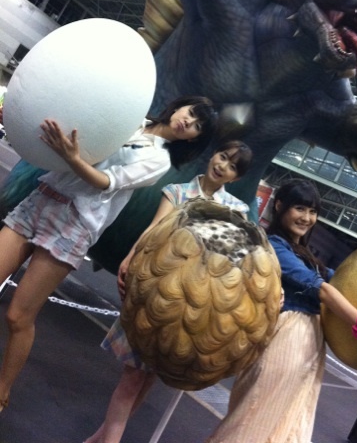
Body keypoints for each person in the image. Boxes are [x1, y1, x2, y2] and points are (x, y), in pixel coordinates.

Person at [0, 95, 217, 412]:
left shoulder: (159, 160)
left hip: (74, 223)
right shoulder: (130, 120)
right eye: (192, 113)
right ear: (180, 106)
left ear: (194, 139)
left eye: (197, 126)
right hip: (42, 198)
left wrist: (72, 157)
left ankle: (3, 392)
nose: (189, 121)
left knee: (18, 316)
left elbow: (107, 182)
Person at [206, 178, 357, 443]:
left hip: (306, 344)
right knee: (253, 422)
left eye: (313, 211)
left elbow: (342, 282)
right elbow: (321, 289)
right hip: (285, 340)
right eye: (299, 208)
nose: (307, 218)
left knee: (286, 426)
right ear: (280, 206)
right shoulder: (274, 246)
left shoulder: (304, 254)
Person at [84, 139, 253, 443]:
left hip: (191, 305)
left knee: (148, 377)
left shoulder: (236, 211)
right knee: (133, 376)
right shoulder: (177, 192)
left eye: (232, 166)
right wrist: (130, 257)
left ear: (236, 177)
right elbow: (154, 229)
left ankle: (97, 440)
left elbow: (235, 260)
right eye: (222, 156)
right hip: (156, 292)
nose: (222, 165)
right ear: (213, 153)